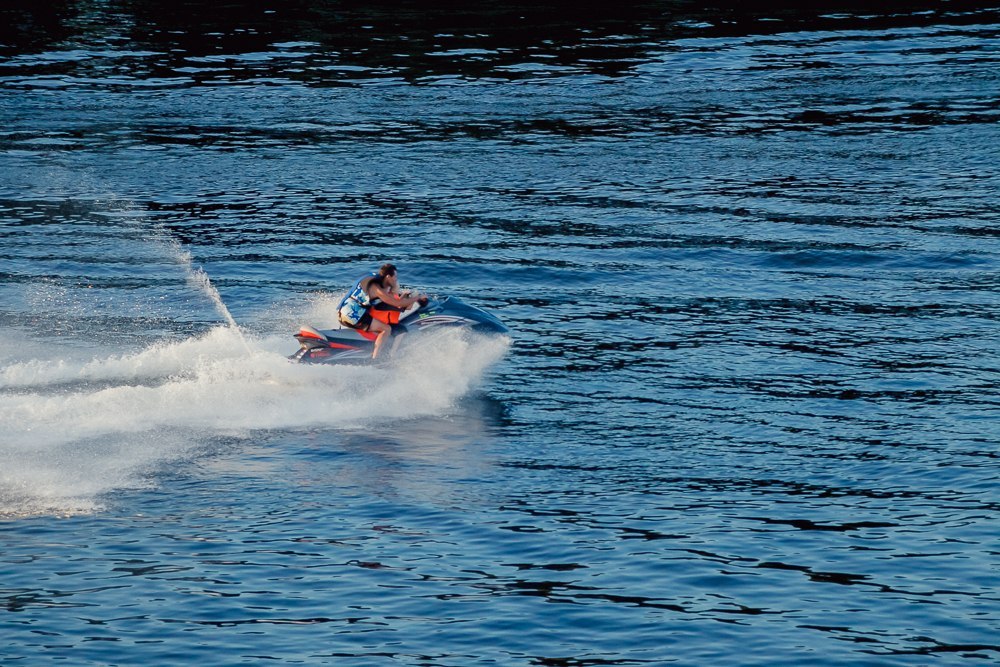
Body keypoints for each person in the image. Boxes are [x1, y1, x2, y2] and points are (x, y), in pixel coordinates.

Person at [337, 264, 427, 360]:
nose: (396, 279)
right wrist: (417, 297)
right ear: (388, 277)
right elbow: (397, 303)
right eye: (395, 277)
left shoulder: (374, 280)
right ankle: (375, 359)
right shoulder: (377, 289)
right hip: (352, 314)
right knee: (386, 329)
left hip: (345, 311)